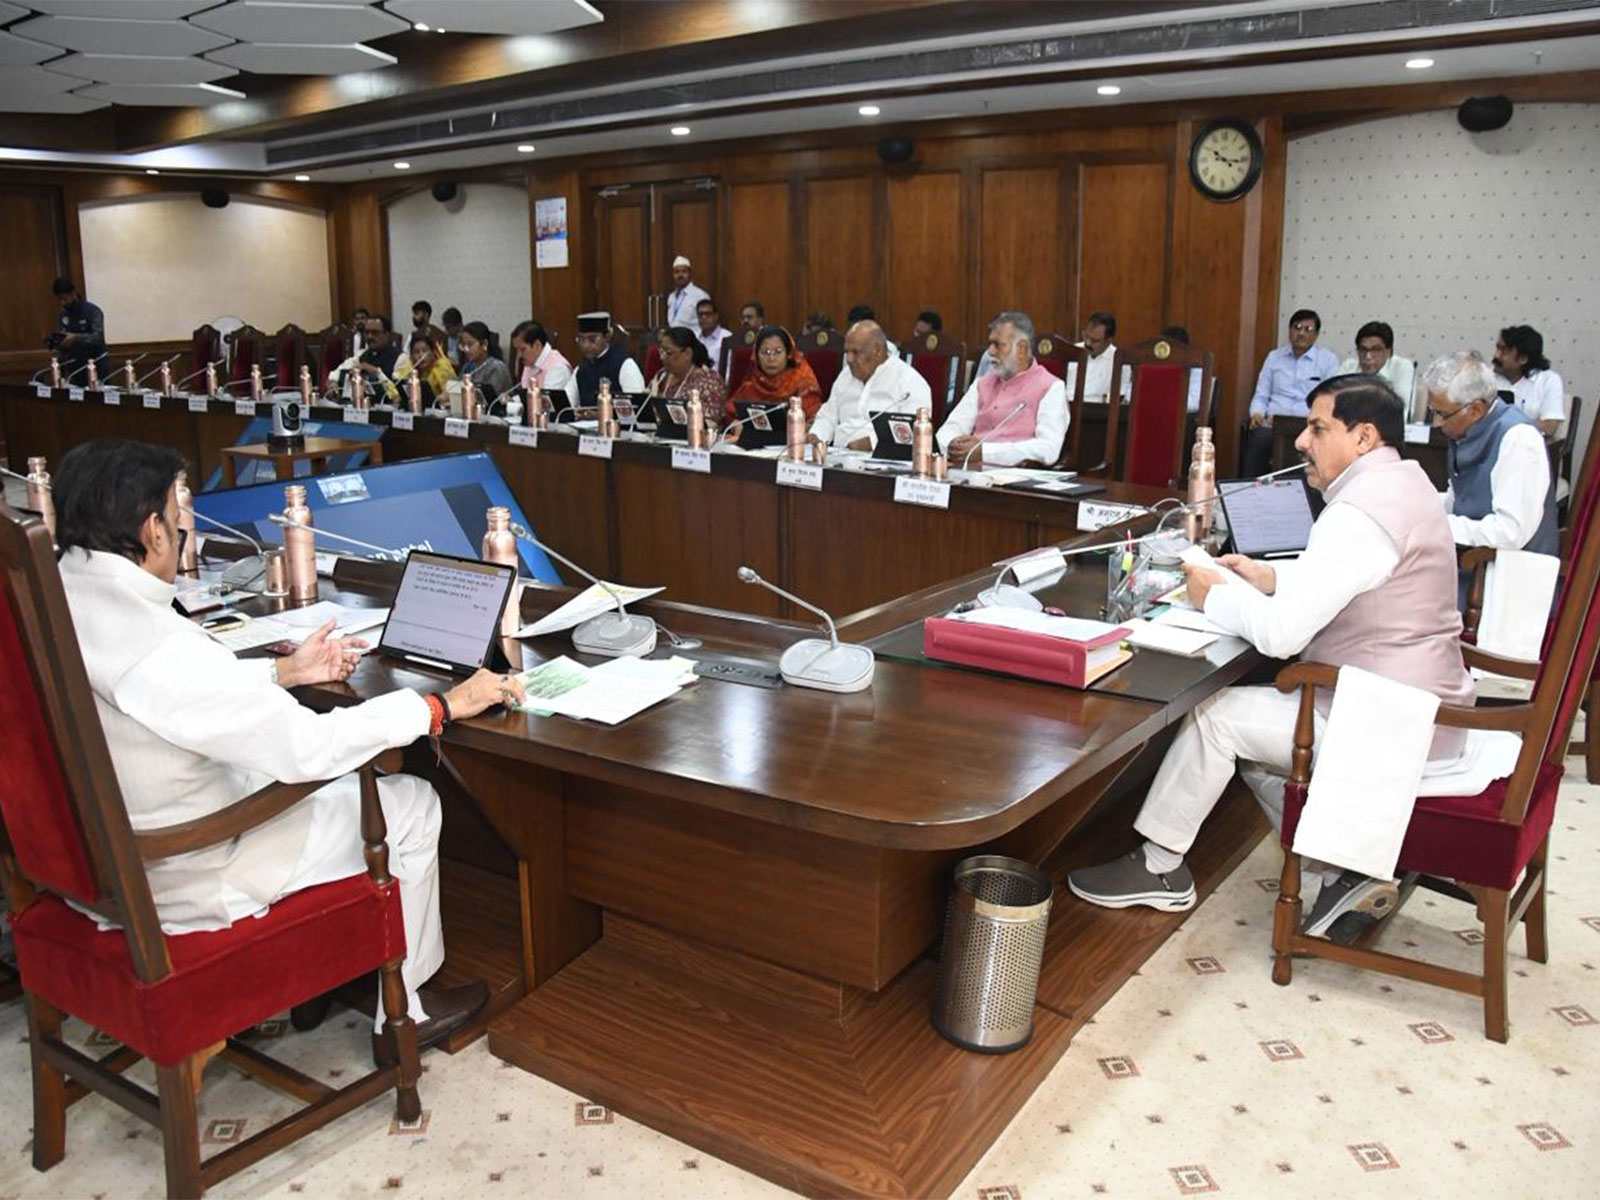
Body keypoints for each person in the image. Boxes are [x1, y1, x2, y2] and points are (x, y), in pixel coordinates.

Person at [52, 438, 526, 1061]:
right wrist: (441, 707)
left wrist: (284, 675)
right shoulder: (157, 644)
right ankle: (403, 1014)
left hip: (93, 858)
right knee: (409, 801)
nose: (183, 532)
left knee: (341, 786)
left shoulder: (58, 593)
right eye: (179, 520)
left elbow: (173, 703)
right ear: (153, 532)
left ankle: (334, 972)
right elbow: (309, 748)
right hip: (189, 869)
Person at [1067, 377, 1474, 939]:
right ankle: (1341, 866)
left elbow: (1282, 635)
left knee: (1217, 717)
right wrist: (1272, 575)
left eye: (1318, 428)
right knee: (1252, 738)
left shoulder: (1361, 512)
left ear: (1363, 437)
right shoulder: (1401, 482)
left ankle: (1160, 869)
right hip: (1418, 704)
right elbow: (1357, 580)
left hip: (1392, 723)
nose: (1302, 441)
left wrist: (1218, 595)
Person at [1425, 351, 1558, 557]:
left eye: (1442, 414)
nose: (1437, 423)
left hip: (1512, 574)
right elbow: (1458, 500)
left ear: (1476, 409)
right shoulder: (1465, 430)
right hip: (1474, 560)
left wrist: (1440, 526)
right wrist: (1416, 506)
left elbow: (1510, 533)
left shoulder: (1519, 438)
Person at [936, 311, 1067, 469]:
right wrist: (954, 444)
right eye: (990, 344)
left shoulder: (1051, 387)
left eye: (998, 345)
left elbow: (1048, 449)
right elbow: (950, 428)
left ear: (1022, 349)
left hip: (1015, 480)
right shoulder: (982, 384)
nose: (990, 351)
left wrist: (985, 452)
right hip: (970, 474)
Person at [1243, 308, 1340, 477]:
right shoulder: (1274, 357)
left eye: (1308, 329)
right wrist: (1257, 413)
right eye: (1297, 327)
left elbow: (1329, 400)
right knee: (1258, 440)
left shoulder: (1328, 360)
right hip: (1273, 424)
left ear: (1316, 335)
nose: (1301, 333)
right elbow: (1262, 393)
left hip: (1306, 425)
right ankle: (1250, 493)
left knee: (1309, 447)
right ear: (1289, 331)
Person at [809, 321, 931, 451]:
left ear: (877, 351)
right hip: (837, 456)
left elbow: (912, 431)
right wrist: (816, 435)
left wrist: (872, 443)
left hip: (883, 462)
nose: (849, 359)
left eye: (856, 352)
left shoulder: (909, 381)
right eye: (846, 352)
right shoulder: (845, 376)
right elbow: (828, 416)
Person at [726, 324, 821, 424]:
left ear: (788, 354)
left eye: (778, 352)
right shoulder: (753, 380)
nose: (771, 359)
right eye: (765, 352)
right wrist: (735, 424)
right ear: (756, 355)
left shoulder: (803, 380)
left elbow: (814, 418)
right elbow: (730, 412)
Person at [1336, 321, 1418, 421]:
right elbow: (1332, 402)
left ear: (1389, 352)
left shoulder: (1402, 367)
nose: (1368, 356)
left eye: (1376, 350)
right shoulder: (1348, 367)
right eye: (1363, 349)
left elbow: (1402, 412)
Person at [1493, 325, 1565, 437]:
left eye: (1504, 351)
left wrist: (1510, 425)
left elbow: (1549, 427)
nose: (1496, 355)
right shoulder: (1488, 377)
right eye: (1497, 348)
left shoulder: (1548, 381)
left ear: (1523, 359)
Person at [650, 326, 726, 425]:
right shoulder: (662, 376)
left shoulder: (708, 380)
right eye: (661, 351)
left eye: (668, 353)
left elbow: (711, 421)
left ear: (687, 354)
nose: (662, 357)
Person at [572, 311, 645, 407]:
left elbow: (637, 407)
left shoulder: (624, 364)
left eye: (592, 339)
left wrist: (600, 414)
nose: (586, 345)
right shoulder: (581, 369)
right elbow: (567, 402)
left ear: (607, 336)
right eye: (581, 340)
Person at [47, 275, 108, 383]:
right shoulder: (63, 314)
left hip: (95, 367)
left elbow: (98, 338)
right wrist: (57, 343)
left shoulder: (93, 311)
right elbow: (62, 336)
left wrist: (76, 338)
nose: (62, 303)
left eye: (64, 298)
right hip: (74, 369)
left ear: (73, 293)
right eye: (59, 299)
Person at [1065, 311, 1127, 403]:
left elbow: (1119, 398)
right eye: (1086, 336)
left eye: (1094, 341)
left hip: (1097, 413)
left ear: (1108, 341)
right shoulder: (1071, 351)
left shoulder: (1120, 361)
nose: (1088, 343)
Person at [510, 320, 573, 410]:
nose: (519, 355)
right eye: (517, 350)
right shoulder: (530, 362)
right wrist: (510, 400)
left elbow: (547, 404)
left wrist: (513, 405)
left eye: (522, 349)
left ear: (537, 345)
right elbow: (525, 396)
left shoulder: (558, 367)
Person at [394, 331, 456, 405]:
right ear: (412, 356)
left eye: (425, 351)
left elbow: (449, 395)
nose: (421, 355)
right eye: (417, 352)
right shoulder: (411, 369)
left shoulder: (443, 368)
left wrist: (440, 398)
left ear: (433, 353)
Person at [458, 321, 513, 400]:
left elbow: (489, 399)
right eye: (463, 345)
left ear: (484, 344)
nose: (466, 349)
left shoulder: (497, 368)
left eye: (470, 344)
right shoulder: (467, 367)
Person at [665, 255, 710, 327]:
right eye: (677, 272)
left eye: (684, 271)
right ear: (673, 275)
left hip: (693, 338)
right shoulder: (671, 297)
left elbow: (706, 324)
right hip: (674, 337)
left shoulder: (700, 296)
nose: (680, 275)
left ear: (690, 273)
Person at [357, 314, 402, 383]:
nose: (369, 337)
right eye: (367, 332)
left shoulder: (400, 358)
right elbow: (337, 373)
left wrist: (376, 372)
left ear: (387, 334)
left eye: (375, 332)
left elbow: (398, 390)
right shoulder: (362, 356)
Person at [694, 298, 732, 371]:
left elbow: (730, 368)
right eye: (700, 314)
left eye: (708, 314)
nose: (703, 317)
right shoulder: (694, 337)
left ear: (716, 316)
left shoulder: (727, 337)